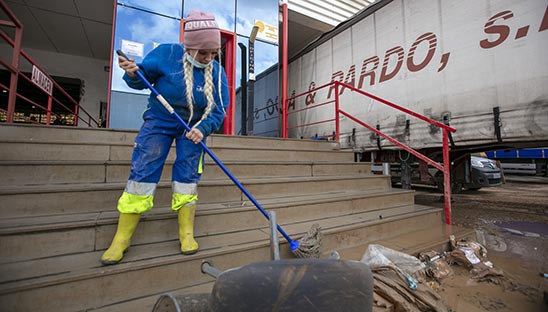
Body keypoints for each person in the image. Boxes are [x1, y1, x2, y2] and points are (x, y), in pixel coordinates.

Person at [101, 10, 229, 265]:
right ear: (189, 46)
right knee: (145, 167)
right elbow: (140, 81)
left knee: (188, 173)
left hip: (193, 126)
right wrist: (132, 72)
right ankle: (121, 239)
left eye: (214, 53)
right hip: (160, 119)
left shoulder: (216, 71)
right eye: (203, 52)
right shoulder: (165, 54)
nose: (209, 58)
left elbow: (219, 110)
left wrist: (203, 129)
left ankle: (186, 232)